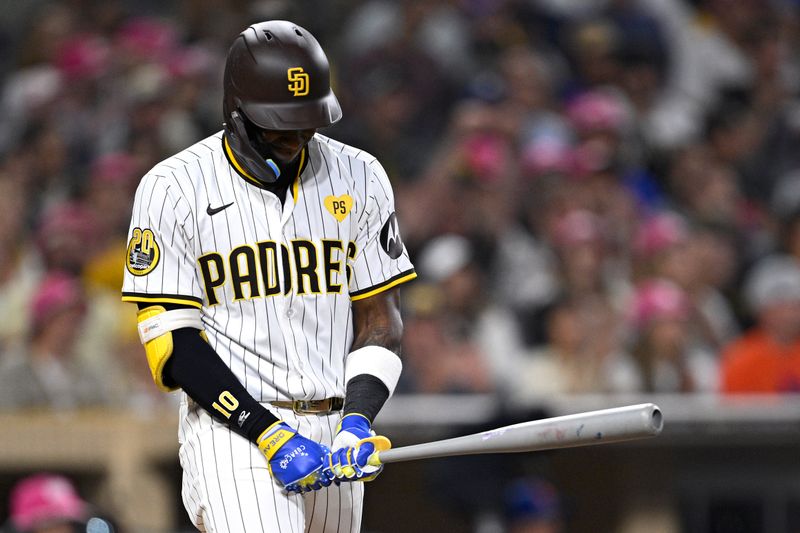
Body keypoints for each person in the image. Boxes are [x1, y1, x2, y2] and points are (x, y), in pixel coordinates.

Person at [120, 20, 416, 533]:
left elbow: (380, 323)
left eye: (309, 121)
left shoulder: (361, 175)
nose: (298, 136)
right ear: (236, 112)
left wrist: (358, 419)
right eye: (281, 123)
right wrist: (267, 432)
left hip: (332, 432)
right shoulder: (172, 187)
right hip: (233, 430)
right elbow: (173, 346)